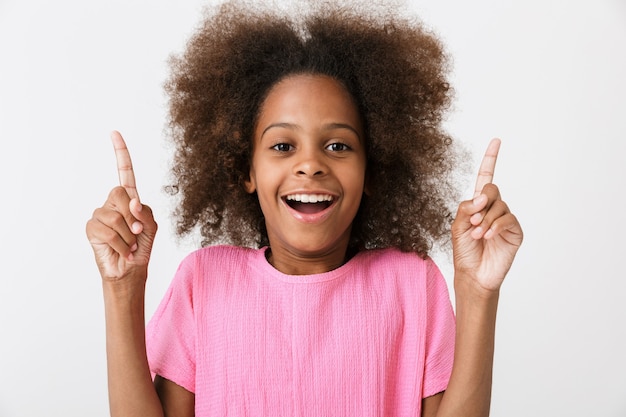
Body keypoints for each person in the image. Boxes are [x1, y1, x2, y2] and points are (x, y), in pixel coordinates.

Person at [86, 1, 523, 416]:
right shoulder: (203, 281)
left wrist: (478, 293)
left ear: (371, 170)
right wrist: (122, 288)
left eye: (338, 145)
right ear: (247, 170)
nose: (311, 164)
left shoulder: (412, 285)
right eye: (282, 145)